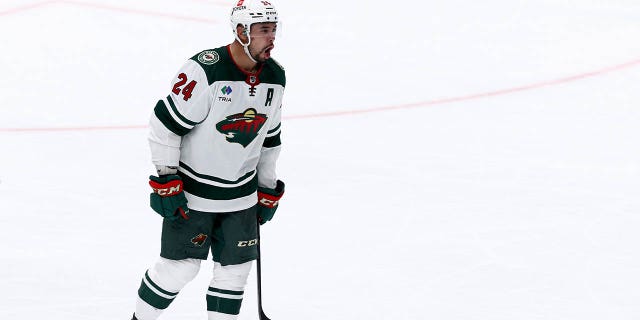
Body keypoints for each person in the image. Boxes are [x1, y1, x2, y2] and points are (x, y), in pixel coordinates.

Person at [131, 1, 285, 319]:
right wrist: (165, 178)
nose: (271, 38)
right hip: (194, 196)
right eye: (263, 31)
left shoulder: (276, 76)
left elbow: (269, 140)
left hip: (241, 198)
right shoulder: (206, 69)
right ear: (242, 31)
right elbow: (164, 125)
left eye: (273, 30)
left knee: (235, 273)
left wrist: (267, 189)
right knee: (178, 270)